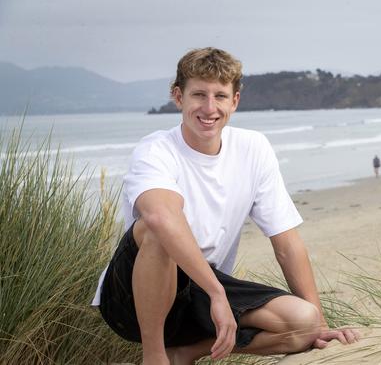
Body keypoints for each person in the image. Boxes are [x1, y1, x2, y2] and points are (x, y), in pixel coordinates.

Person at [91, 47, 358, 365]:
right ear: (178, 97)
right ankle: (155, 355)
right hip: (131, 301)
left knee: (304, 322)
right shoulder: (156, 150)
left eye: (220, 96)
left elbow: (286, 241)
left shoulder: (253, 148)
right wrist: (217, 293)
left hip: (203, 291)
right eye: (198, 95)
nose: (209, 107)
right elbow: (161, 217)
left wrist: (320, 327)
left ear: (235, 101)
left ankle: (184, 354)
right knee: (156, 227)